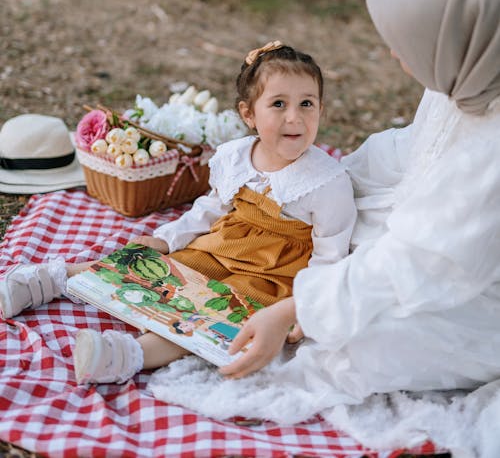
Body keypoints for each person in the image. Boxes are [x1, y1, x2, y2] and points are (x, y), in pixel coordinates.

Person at [144, 0, 500, 424]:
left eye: (413, 44)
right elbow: (407, 149)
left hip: (472, 287)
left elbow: (425, 260)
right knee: (329, 237)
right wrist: (307, 179)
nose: (400, 58)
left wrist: (297, 310)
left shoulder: (494, 151)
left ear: (464, 40)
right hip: (432, 237)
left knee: (353, 341)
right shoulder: (476, 75)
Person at [0, 42, 357, 385]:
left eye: (307, 103)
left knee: (209, 314)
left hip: (269, 275)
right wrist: (167, 238)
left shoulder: (327, 182)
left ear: (320, 110)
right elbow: (210, 209)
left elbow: (330, 256)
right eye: (278, 103)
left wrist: (301, 308)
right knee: (154, 270)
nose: (294, 117)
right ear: (248, 114)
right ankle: (53, 279)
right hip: (221, 246)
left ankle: (127, 355)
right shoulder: (235, 156)